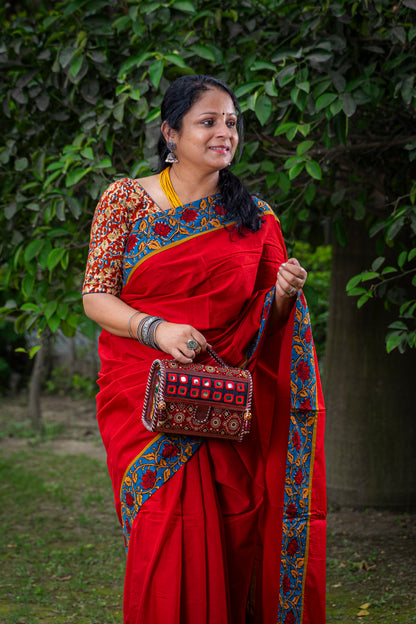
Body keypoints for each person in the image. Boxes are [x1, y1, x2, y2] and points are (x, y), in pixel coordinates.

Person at [82, 74, 326, 624]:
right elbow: (97, 297)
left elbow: (262, 327)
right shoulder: (125, 199)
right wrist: (158, 330)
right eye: (208, 121)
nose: (225, 133)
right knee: (164, 534)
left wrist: (283, 296)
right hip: (144, 396)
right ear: (171, 132)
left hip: (225, 406)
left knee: (235, 537)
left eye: (232, 123)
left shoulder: (257, 219)